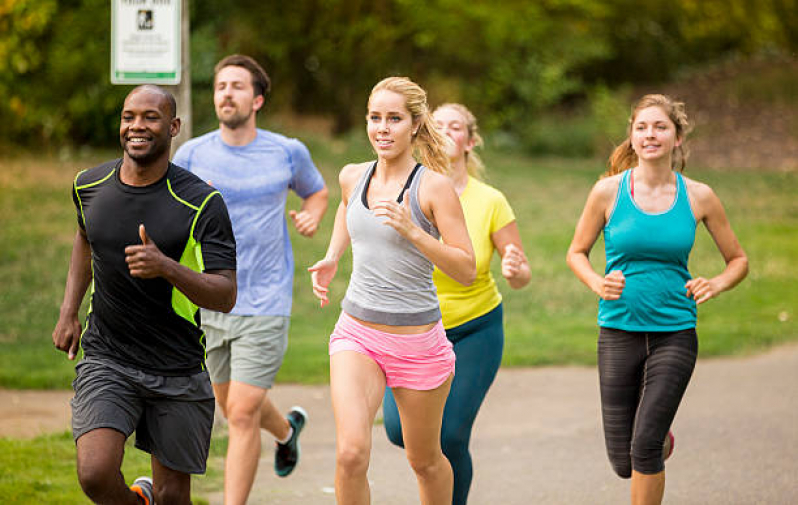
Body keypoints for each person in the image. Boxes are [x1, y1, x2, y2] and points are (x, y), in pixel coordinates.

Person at [52, 85, 237, 505]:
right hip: (108, 357)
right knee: (95, 473)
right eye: (128, 116)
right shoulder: (89, 186)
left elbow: (226, 294)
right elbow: (86, 237)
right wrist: (69, 313)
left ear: (173, 127)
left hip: (177, 366)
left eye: (150, 117)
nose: (137, 126)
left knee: (173, 495)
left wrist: (166, 267)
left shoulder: (201, 202)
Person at [566, 94, 748, 505]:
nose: (651, 134)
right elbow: (576, 252)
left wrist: (717, 283)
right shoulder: (607, 192)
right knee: (623, 460)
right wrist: (597, 282)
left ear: (677, 137)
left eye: (660, 127)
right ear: (631, 136)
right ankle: (657, 432)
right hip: (617, 330)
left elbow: (738, 259)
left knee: (643, 446)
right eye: (642, 127)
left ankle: (652, 432)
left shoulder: (699, 195)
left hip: (675, 331)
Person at [308, 77, 476, 504]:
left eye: (394, 119)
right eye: (375, 117)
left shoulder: (433, 187)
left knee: (424, 460)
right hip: (357, 334)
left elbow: (466, 268)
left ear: (415, 125)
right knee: (350, 454)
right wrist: (332, 256)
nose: (382, 128)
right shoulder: (352, 176)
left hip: (417, 342)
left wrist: (413, 231)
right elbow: (349, 207)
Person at [173, 54, 328, 503]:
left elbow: (315, 191)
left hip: (265, 296)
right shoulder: (192, 154)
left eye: (238, 86)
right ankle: (285, 431)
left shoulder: (285, 150)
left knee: (240, 414)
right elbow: (168, 207)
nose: (227, 93)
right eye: (221, 85)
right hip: (210, 299)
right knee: (232, 406)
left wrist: (312, 217)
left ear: (256, 99)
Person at [381, 103, 530, 504]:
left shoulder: (491, 200)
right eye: (439, 125)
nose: (447, 132)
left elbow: (520, 271)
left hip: (474, 329)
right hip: (409, 330)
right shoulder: (403, 188)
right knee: (400, 432)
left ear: (470, 140)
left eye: (457, 126)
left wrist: (516, 269)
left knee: (450, 436)